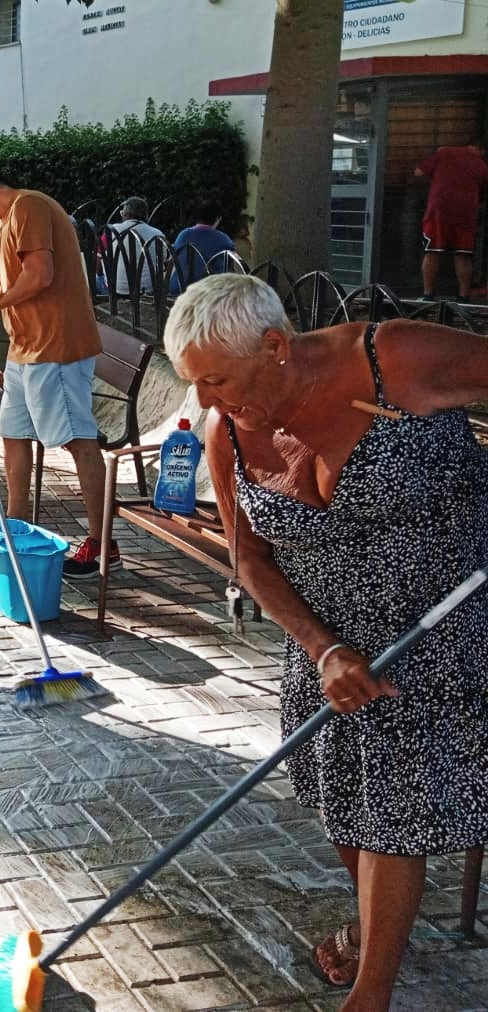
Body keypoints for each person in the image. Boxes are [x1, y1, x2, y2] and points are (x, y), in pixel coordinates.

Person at [168, 273, 488, 1011]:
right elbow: (249, 558)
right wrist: (322, 649)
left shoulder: (393, 359)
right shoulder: (225, 428)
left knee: (393, 804)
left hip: (448, 630)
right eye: (196, 384)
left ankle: (371, 992)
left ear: (276, 346)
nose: (206, 401)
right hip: (328, 647)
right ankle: (379, 927)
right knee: (349, 799)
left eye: (216, 379)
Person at [0, 156, 113, 580]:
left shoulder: (30, 208)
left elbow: (40, 275)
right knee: (14, 435)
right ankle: (13, 524)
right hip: (25, 351)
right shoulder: (1, 229)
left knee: (78, 441)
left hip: (56, 347)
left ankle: (102, 544)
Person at [415, 139, 487, 300]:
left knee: (432, 251)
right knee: (463, 254)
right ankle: (463, 298)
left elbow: (418, 172)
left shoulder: (445, 153)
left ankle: (427, 295)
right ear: (479, 150)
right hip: (467, 212)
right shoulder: (481, 165)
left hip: (439, 209)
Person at [170, 199, 236, 294]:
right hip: (205, 294)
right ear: (218, 218)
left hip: (177, 290)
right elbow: (227, 271)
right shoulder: (224, 240)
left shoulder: (183, 235)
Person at [106, 196, 165, 296]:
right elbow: (163, 262)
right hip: (148, 291)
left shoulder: (111, 230)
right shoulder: (158, 234)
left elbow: (100, 261)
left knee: (97, 279)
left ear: (128, 215)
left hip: (116, 290)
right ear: (146, 215)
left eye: (122, 214)